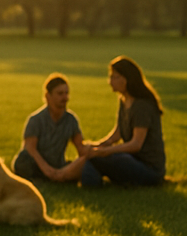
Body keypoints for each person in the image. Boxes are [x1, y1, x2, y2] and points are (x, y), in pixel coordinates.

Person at [80, 55, 166, 187]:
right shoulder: (124, 100)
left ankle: (87, 181)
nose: (110, 81)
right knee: (92, 156)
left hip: (149, 169)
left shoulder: (142, 106)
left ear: (126, 80)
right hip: (133, 161)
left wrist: (104, 152)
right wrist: (97, 146)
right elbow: (118, 133)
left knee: (110, 158)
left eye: (115, 77)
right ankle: (91, 182)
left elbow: (136, 144)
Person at [12, 73, 87, 182]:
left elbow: (81, 147)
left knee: (85, 165)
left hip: (57, 165)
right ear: (48, 96)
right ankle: (47, 177)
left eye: (66, 93)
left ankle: (57, 176)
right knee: (23, 161)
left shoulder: (71, 120)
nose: (65, 97)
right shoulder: (35, 120)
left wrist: (97, 151)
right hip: (36, 165)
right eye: (60, 94)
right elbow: (30, 148)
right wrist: (48, 170)